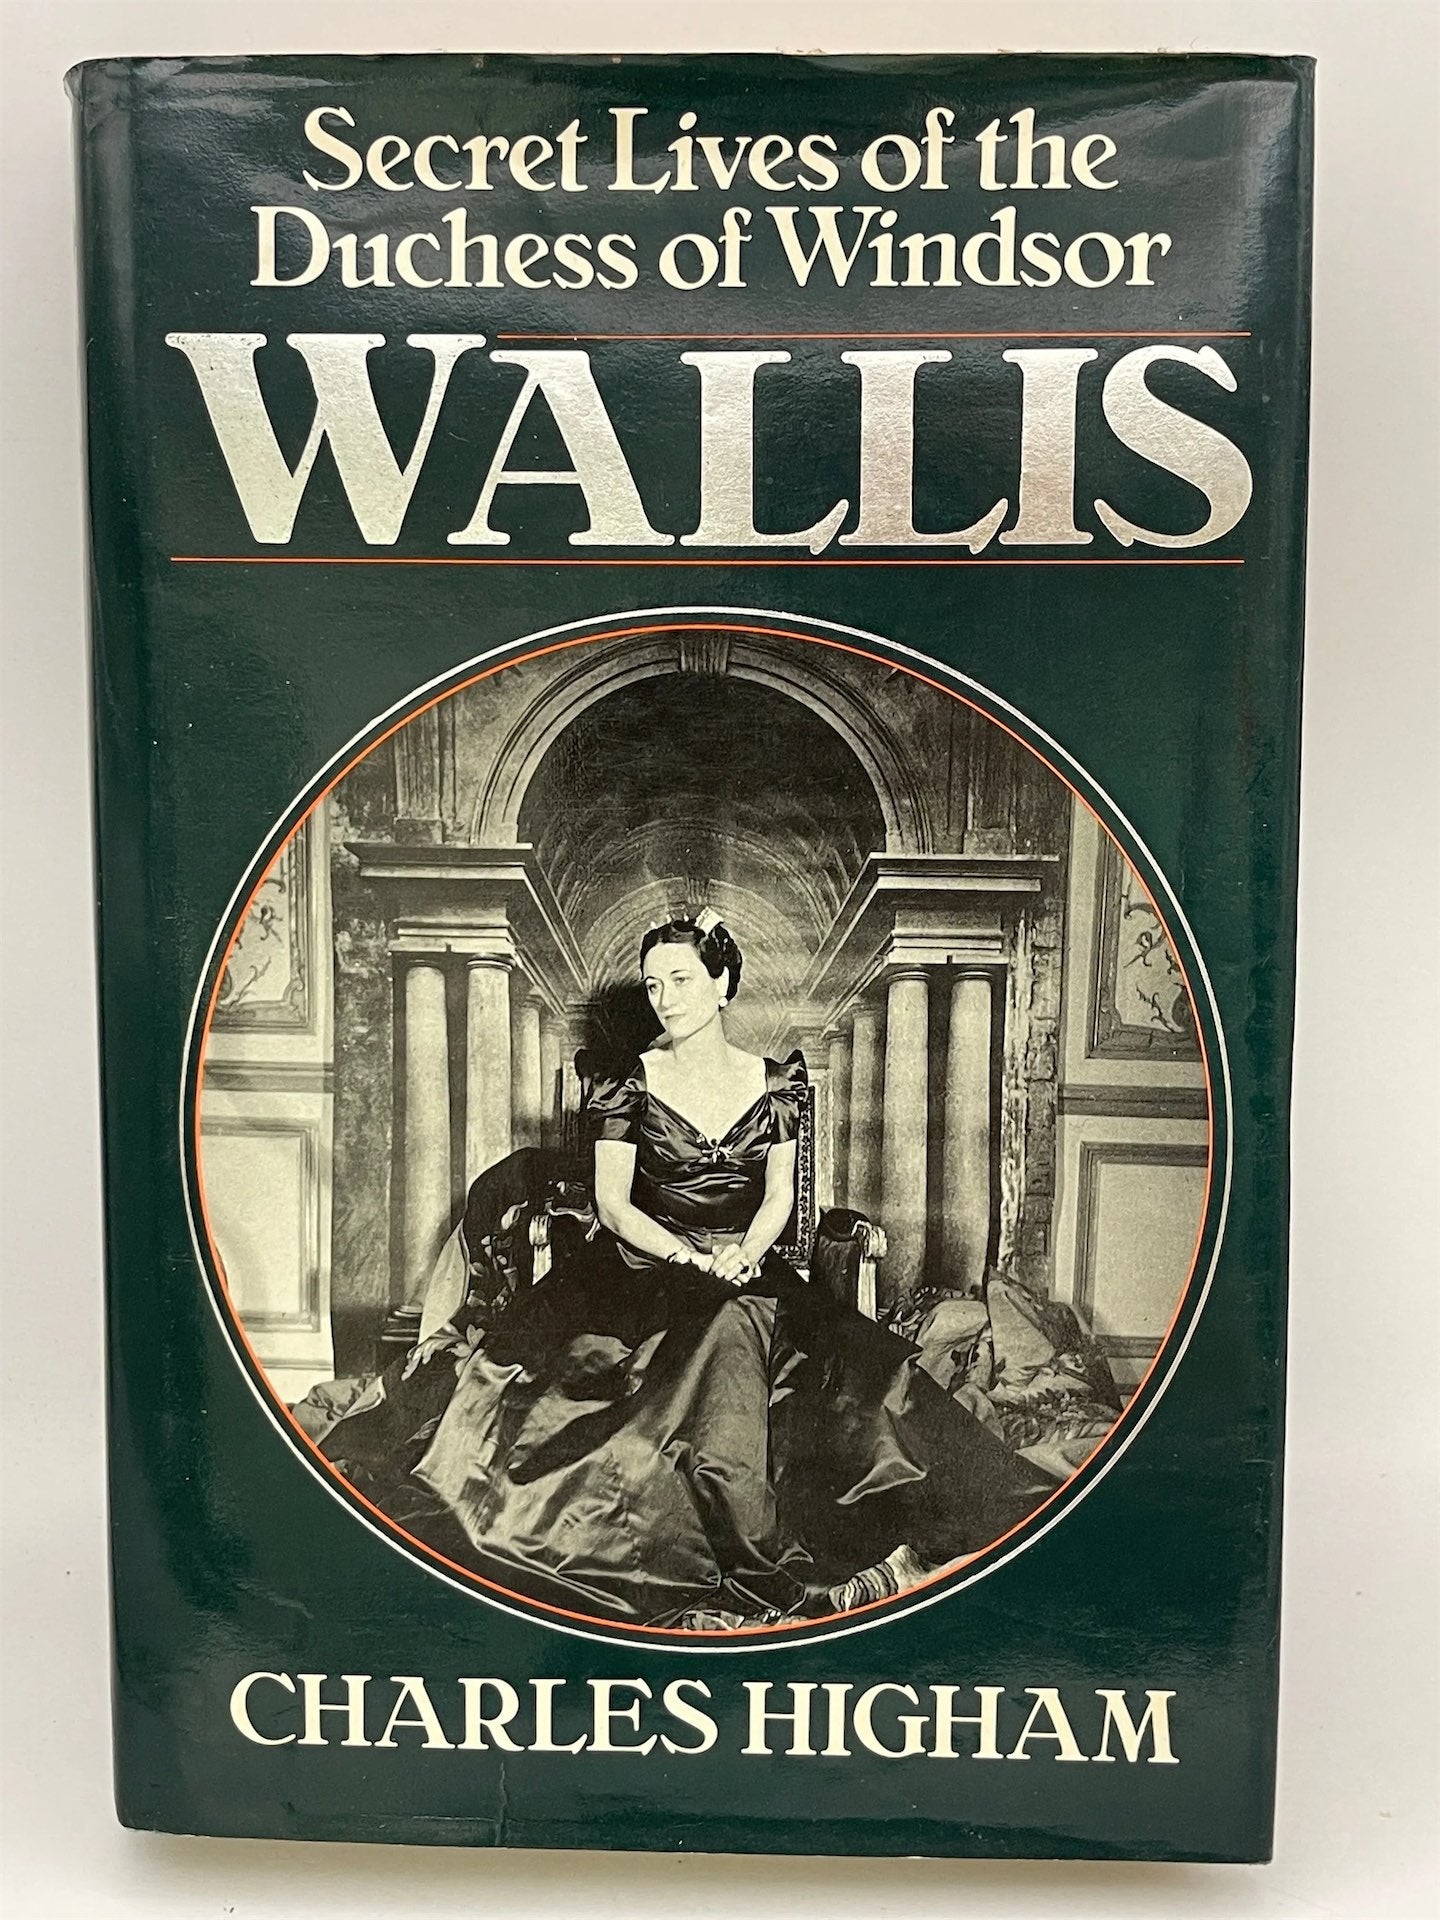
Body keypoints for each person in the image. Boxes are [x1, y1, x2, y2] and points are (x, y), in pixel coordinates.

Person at [312, 911, 1054, 1629]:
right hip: (640, 1266)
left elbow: (777, 1198)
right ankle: (722, 1533)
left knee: (864, 1378)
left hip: (747, 1260)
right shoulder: (627, 1084)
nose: (665, 999)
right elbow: (613, 1207)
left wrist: (746, 1253)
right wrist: (691, 1257)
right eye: (653, 984)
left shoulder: (776, 1084)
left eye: (681, 980)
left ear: (722, 984)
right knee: (696, 1343)